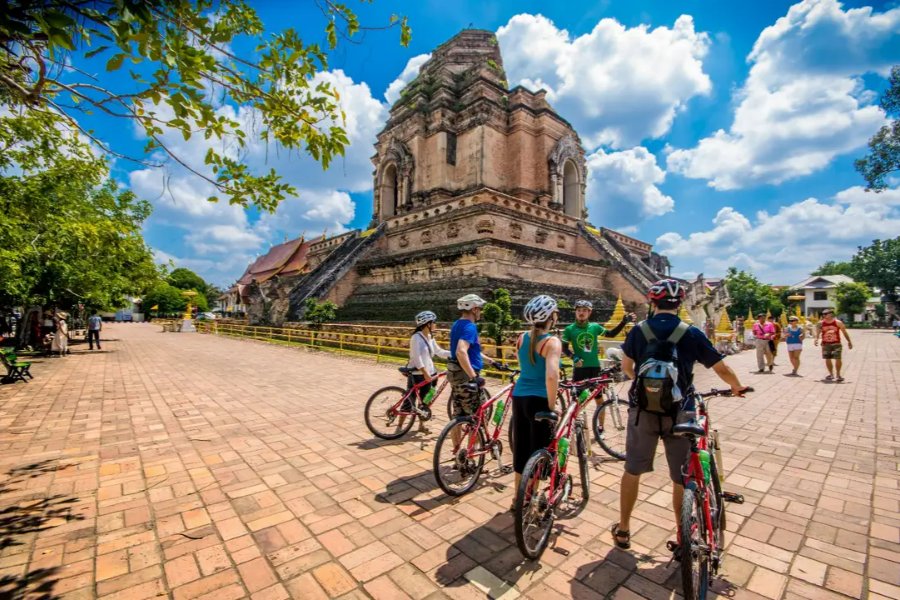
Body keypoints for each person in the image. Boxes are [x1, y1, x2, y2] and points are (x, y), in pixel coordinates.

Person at [612, 279, 747, 553]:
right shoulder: (691, 332)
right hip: (681, 410)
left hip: (643, 412)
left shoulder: (639, 330)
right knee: (682, 477)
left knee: (632, 470)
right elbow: (720, 367)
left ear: (653, 303)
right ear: (680, 304)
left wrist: (646, 387)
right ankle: (683, 531)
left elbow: (627, 367)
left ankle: (624, 529)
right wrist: (736, 386)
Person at [512, 295, 562, 508]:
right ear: (552, 317)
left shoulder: (521, 338)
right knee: (540, 450)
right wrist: (552, 405)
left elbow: (522, 363)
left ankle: (517, 497)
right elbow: (552, 376)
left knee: (522, 448)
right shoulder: (552, 342)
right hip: (539, 399)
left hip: (519, 397)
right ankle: (531, 495)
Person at [562, 299, 634, 435]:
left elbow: (611, 334)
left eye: (584, 310)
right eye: (578, 311)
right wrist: (573, 357)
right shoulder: (569, 329)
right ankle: (576, 428)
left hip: (594, 368)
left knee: (599, 399)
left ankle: (600, 428)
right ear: (575, 313)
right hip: (580, 370)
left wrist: (624, 322)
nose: (581, 313)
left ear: (589, 312)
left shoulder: (595, 327)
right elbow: (564, 347)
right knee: (577, 402)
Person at [448, 294, 497, 417]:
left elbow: (471, 351)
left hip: (456, 375)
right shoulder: (470, 327)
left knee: (458, 416)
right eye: (480, 309)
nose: (481, 312)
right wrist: (474, 377)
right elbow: (461, 351)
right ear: (474, 309)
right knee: (477, 420)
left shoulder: (456, 324)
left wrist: (491, 361)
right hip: (467, 378)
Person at [404, 310, 450, 433]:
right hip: (418, 375)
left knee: (425, 402)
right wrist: (425, 372)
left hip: (430, 375)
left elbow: (439, 352)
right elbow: (416, 357)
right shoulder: (416, 338)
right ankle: (399, 427)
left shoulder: (429, 337)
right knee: (409, 400)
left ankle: (421, 425)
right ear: (427, 324)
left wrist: (455, 354)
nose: (436, 324)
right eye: (434, 322)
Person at [814, 309, 853, 382]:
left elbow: (844, 332)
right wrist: (816, 339)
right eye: (823, 314)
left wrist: (849, 341)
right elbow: (818, 333)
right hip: (825, 344)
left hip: (836, 343)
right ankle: (831, 374)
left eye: (826, 314)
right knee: (827, 358)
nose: (824, 315)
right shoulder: (820, 323)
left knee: (838, 358)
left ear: (831, 314)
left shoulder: (838, 323)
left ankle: (838, 374)